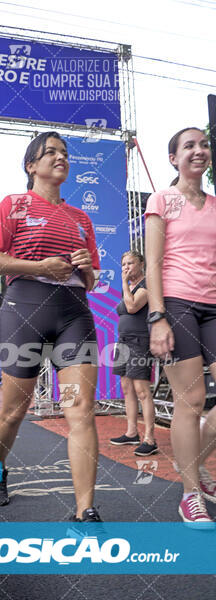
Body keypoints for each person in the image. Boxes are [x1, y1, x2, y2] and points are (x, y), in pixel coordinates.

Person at [0, 131, 101, 522]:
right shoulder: (14, 205)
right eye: (50, 153)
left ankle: (85, 510)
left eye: (64, 152)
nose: (60, 157)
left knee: (80, 408)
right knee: (14, 410)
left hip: (74, 313)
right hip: (24, 309)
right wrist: (40, 267)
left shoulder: (82, 218)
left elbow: (93, 279)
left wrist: (84, 267)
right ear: (32, 166)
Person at [145, 126, 216, 525]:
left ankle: (196, 469)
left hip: (214, 306)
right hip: (176, 304)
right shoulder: (163, 199)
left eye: (204, 145)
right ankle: (190, 493)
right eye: (189, 145)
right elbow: (152, 263)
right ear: (173, 159)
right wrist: (157, 317)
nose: (199, 150)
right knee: (190, 402)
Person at [110, 251, 157, 456]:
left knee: (141, 390)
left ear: (141, 264)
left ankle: (150, 438)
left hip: (140, 342)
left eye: (130, 263)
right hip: (123, 342)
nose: (126, 267)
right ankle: (131, 433)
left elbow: (131, 307)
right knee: (126, 386)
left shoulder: (146, 285)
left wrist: (122, 283)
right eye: (123, 264)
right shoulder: (129, 287)